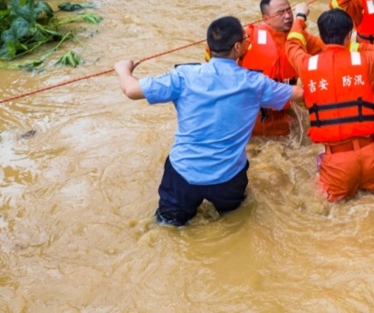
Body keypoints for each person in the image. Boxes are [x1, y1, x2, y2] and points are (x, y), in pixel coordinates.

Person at [113, 16, 303, 226]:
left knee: (168, 226)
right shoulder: (255, 83)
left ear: (208, 46)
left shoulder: (184, 76)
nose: (249, 41)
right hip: (228, 176)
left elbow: (131, 90)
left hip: (183, 173)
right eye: (246, 38)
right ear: (238, 47)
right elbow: (298, 94)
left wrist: (123, 69)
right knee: (234, 222)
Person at [285, 6, 374, 202]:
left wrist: (300, 17)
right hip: (372, 156)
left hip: (337, 163)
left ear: (322, 37)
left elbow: (292, 44)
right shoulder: (368, 60)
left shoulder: (307, 65)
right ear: (349, 35)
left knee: (325, 205)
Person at [239, 0, 324, 137]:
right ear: (266, 19)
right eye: (280, 13)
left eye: (289, 10)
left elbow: (331, 50)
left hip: (283, 114)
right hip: (251, 115)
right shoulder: (249, 36)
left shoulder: (301, 38)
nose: (288, 16)